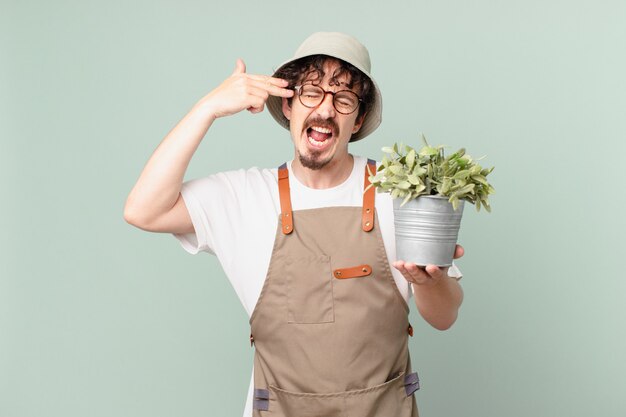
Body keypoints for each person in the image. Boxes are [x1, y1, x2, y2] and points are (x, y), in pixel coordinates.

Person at [124, 32, 464, 417]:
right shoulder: (247, 197)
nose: (325, 110)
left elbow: (445, 316)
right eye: (311, 92)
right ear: (288, 105)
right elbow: (143, 210)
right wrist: (208, 108)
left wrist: (430, 281)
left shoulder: (399, 192)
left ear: (359, 119)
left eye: (343, 98)